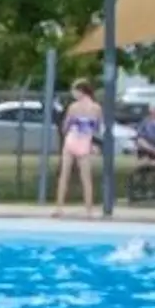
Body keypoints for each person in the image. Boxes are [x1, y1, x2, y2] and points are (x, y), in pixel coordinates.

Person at [56, 81, 102, 216]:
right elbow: (97, 127)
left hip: (72, 140)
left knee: (64, 176)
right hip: (85, 141)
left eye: (74, 91)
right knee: (86, 178)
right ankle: (89, 209)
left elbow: (65, 126)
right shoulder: (96, 108)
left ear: (81, 91)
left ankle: (59, 208)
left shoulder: (73, 107)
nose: (73, 94)